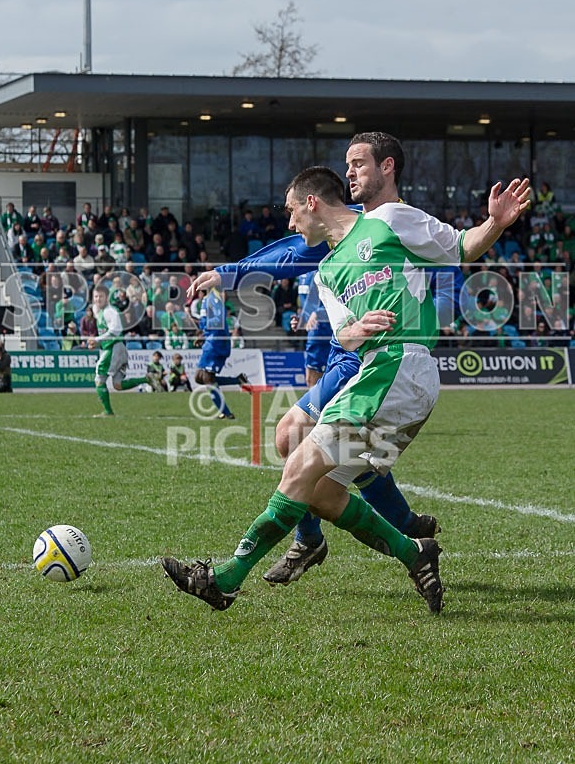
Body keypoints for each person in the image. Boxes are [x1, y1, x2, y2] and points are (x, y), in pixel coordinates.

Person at [163, 141, 530, 615]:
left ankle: (228, 578)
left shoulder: (391, 219)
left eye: (293, 212)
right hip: (376, 370)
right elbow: (343, 332)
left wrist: (496, 223)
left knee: (297, 462)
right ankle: (412, 548)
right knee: (319, 490)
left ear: (312, 203)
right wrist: (353, 330)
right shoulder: (327, 271)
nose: (291, 223)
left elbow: (459, 247)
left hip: (402, 364)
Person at [86, 286, 149, 417]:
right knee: (118, 385)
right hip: (115, 348)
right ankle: (147, 379)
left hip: (115, 348)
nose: (98, 299)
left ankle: (108, 412)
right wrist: (98, 343)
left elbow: (116, 331)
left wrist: (97, 339)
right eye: (96, 296)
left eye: (101, 296)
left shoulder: (110, 311)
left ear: (107, 297)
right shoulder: (101, 311)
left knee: (99, 377)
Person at [194, 286, 249, 420]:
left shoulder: (213, 299)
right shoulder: (208, 300)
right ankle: (238, 380)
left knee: (207, 379)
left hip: (216, 343)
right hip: (212, 341)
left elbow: (218, 320)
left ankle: (226, 412)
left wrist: (206, 332)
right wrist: (204, 335)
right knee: (199, 378)